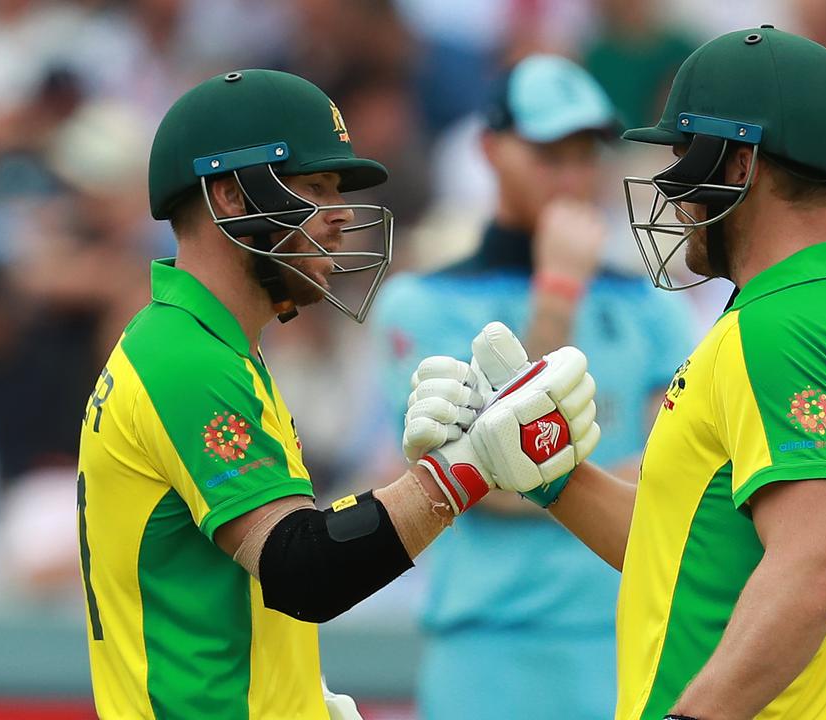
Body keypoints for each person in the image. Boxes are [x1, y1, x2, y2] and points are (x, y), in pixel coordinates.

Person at [407, 27, 826, 719]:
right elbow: (675, 538)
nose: (673, 189)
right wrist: (549, 471)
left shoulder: (777, 327)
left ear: (737, 166)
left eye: (685, 154)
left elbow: (814, 567)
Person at [75, 69, 600, 719]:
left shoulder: (211, 347)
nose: (343, 213)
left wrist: (296, 695)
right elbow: (304, 570)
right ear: (229, 197)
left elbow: (254, 579)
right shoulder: (186, 359)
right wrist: (465, 470)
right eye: (317, 187)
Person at [372, 54, 693, 720]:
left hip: (621, 639)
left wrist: (559, 475)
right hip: (485, 651)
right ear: (490, 150)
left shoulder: (652, 309)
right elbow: (478, 479)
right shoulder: (421, 304)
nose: (573, 176)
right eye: (548, 153)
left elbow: (672, 482)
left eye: (586, 153)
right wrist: (556, 294)